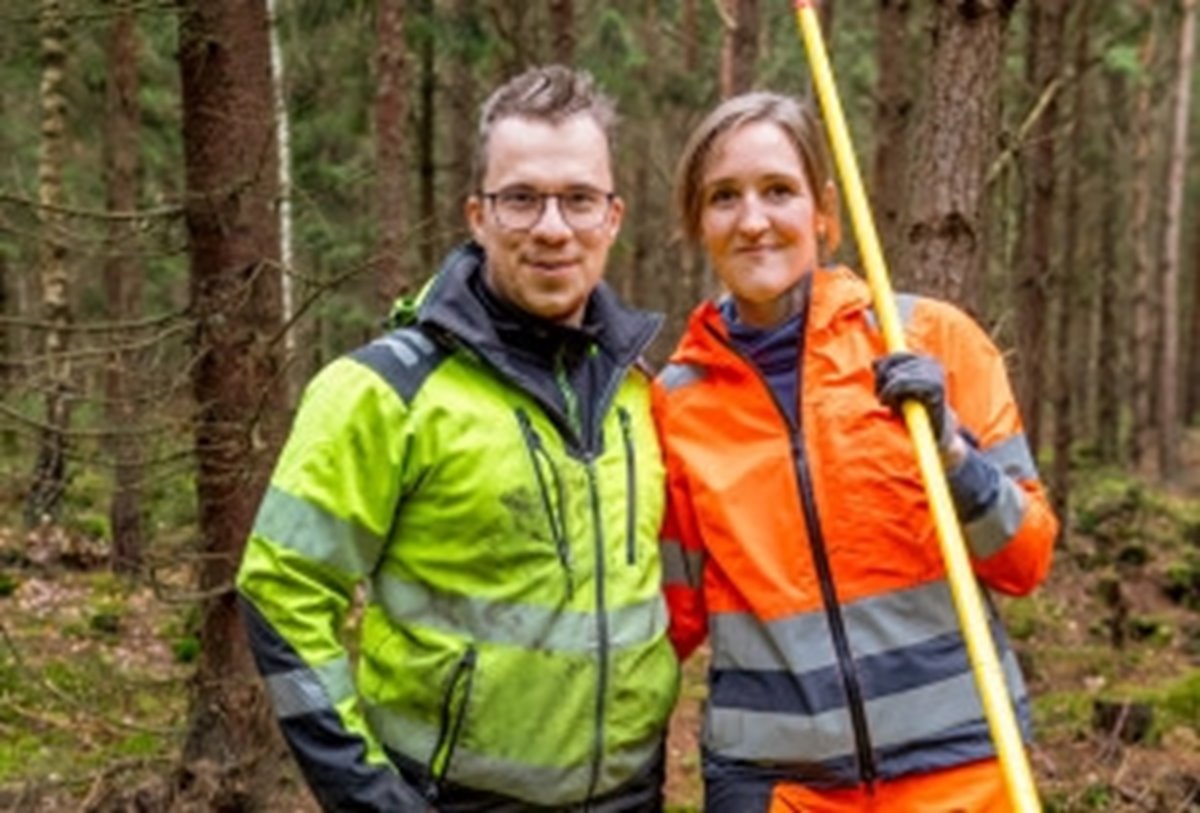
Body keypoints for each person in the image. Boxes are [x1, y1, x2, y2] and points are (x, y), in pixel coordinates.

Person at [236, 65, 680, 812]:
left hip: (630, 796)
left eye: (578, 199)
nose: (551, 227)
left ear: (613, 217)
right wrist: (367, 794)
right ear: (477, 215)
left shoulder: (639, 393)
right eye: (521, 199)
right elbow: (280, 590)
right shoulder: (382, 391)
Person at [655, 91, 1059, 812]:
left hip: (960, 768)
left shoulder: (932, 341)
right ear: (698, 222)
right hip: (777, 785)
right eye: (724, 197)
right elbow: (666, 622)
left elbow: (1025, 560)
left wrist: (954, 455)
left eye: (778, 190)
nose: (753, 220)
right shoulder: (676, 403)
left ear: (824, 211)